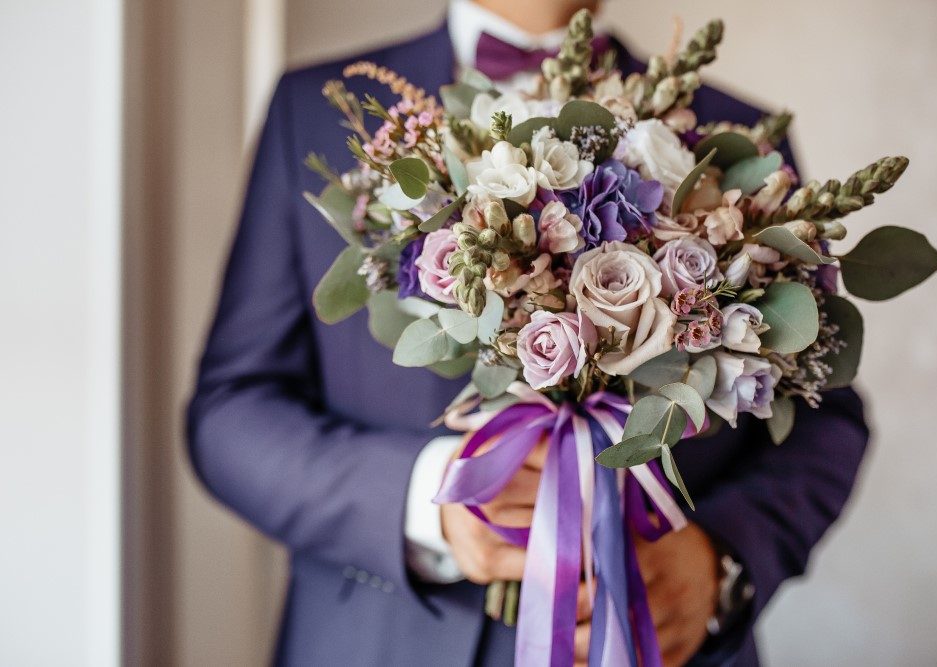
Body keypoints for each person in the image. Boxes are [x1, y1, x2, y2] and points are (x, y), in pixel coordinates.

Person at [186, 1, 870, 665]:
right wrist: (427, 500)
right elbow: (230, 411)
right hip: (381, 637)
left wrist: (720, 559)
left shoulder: (740, 138)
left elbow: (824, 415)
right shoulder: (313, 116)